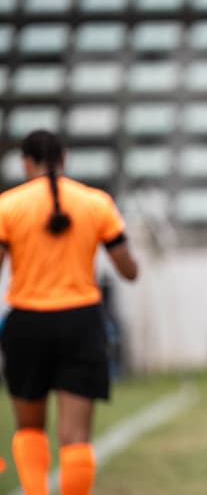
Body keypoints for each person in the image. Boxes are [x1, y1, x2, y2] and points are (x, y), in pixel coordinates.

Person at [0, 130, 139, 495]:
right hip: (81, 322)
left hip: (27, 322)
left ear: (25, 162)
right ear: (64, 158)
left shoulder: (8, 205)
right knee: (75, 437)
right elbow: (128, 269)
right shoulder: (96, 202)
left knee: (29, 428)